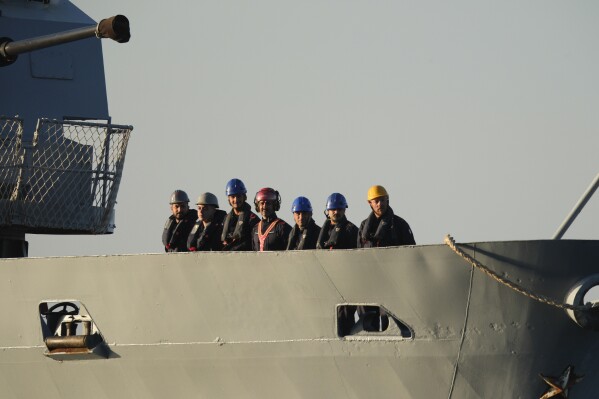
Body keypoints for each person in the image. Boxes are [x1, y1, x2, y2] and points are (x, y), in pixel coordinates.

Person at [221, 178, 259, 251]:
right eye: (233, 197)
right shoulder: (226, 218)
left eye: (238, 196)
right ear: (228, 199)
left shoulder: (252, 219)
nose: (236, 200)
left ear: (244, 197)